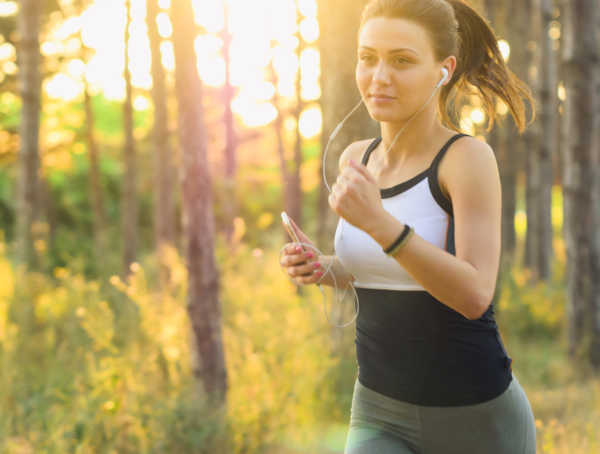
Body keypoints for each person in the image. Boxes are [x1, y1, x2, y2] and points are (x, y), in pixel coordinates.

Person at [280, 0, 538, 452]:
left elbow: (475, 294)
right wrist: (323, 267)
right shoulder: (354, 158)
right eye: (368, 58)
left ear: (444, 69)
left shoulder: (465, 160)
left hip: (476, 416)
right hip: (379, 409)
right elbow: (377, 270)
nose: (379, 76)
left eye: (401, 60)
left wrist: (381, 224)